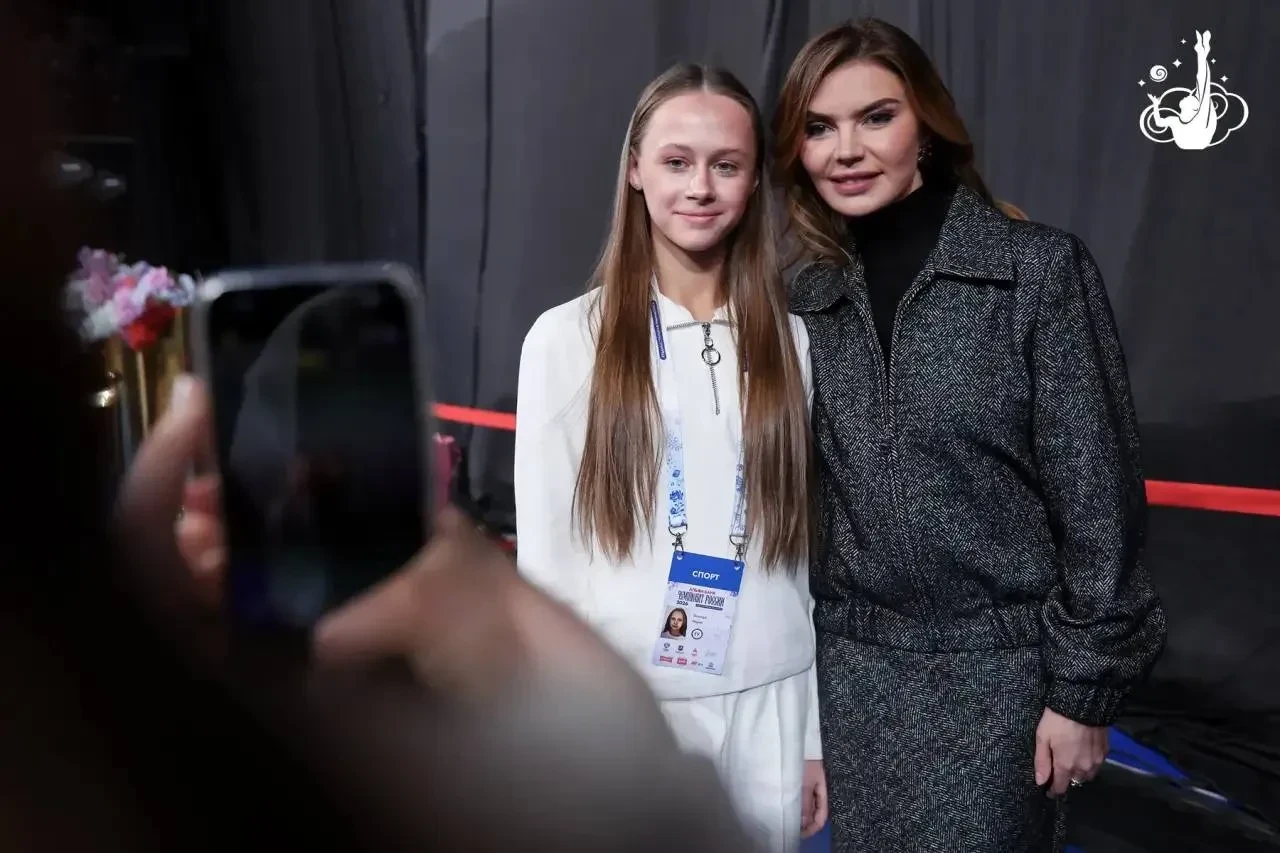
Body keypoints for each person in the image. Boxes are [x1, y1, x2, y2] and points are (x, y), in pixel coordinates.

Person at [771, 18, 1167, 852]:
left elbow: (1098, 500)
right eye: (820, 127)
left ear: (926, 127)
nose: (847, 149)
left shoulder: (1036, 273)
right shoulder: (803, 299)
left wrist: (1082, 692)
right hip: (855, 680)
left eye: (876, 117)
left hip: (1004, 683)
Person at [514, 63, 826, 850]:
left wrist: (811, 733)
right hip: (635, 712)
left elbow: (803, 557)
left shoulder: (792, 340)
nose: (700, 187)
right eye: (677, 161)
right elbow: (545, 564)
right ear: (635, 169)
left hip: (773, 697)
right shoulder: (566, 339)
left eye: (726, 165)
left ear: (754, 180)